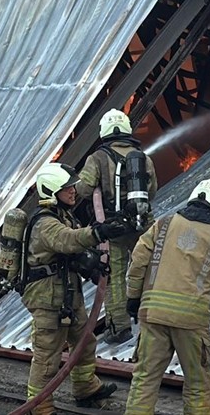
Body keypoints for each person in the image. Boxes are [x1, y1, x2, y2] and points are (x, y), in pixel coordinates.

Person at [124, 179, 210, 415]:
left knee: (145, 379)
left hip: (153, 315)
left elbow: (138, 261)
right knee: (197, 384)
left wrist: (133, 298)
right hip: (191, 322)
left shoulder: (162, 225)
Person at [20, 162, 130, 414]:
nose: (73, 191)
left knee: (84, 342)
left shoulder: (64, 216)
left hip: (66, 295)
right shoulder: (45, 223)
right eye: (66, 188)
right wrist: (98, 232)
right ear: (50, 191)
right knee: (47, 357)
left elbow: (70, 253)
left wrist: (90, 268)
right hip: (47, 299)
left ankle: (85, 388)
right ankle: (40, 407)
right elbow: (69, 241)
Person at [76, 108, 159, 344]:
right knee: (149, 271)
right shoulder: (142, 156)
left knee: (115, 277)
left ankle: (119, 328)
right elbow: (152, 190)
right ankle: (152, 323)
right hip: (144, 224)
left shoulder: (98, 158)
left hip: (114, 227)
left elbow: (82, 189)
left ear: (104, 131)